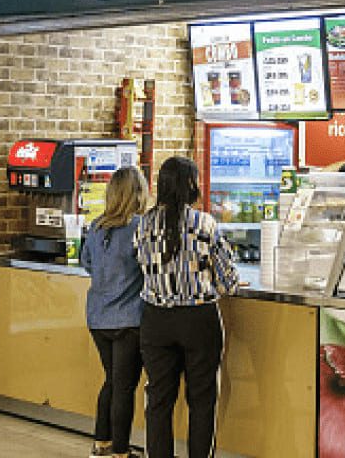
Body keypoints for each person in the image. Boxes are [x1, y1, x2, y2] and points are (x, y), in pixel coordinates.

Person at [135, 156, 240, 458]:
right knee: (202, 399)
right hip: (198, 320)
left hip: (155, 320)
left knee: (158, 400)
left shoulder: (143, 224)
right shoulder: (204, 223)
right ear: (191, 184)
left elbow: (141, 266)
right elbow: (228, 282)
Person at [81, 165, 149, 458]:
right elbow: (151, 266)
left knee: (111, 380)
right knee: (124, 386)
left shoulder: (96, 227)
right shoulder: (140, 227)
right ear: (138, 194)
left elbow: (87, 263)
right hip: (129, 319)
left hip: (98, 317)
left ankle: (102, 442)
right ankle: (121, 451)